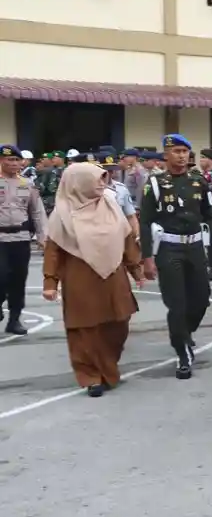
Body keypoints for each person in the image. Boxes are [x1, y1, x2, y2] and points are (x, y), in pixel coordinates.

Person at [42, 163, 144, 396]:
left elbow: (126, 237)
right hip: (80, 277)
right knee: (84, 329)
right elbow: (53, 251)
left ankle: (108, 368)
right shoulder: (62, 213)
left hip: (114, 276)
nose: (102, 183)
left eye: (103, 178)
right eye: (97, 179)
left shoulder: (110, 204)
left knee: (119, 325)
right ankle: (91, 376)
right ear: (79, 182)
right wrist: (50, 282)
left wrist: (136, 269)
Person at [139, 134, 212, 379]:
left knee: (202, 299)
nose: (182, 156)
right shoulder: (154, 184)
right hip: (169, 249)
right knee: (177, 304)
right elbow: (145, 221)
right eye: (176, 151)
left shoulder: (199, 182)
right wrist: (147, 257)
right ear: (166, 155)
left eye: (185, 151)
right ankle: (183, 353)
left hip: (195, 247)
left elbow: (210, 216)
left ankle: (184, 332)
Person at [1, 145, 48, 334]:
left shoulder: (26, 184)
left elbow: (37, 212)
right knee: (1, 275)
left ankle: (14, 319)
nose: (13, 164)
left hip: (20, 238)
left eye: (16, 160)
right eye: (9, 160)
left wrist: (42, 235)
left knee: (18, 280)